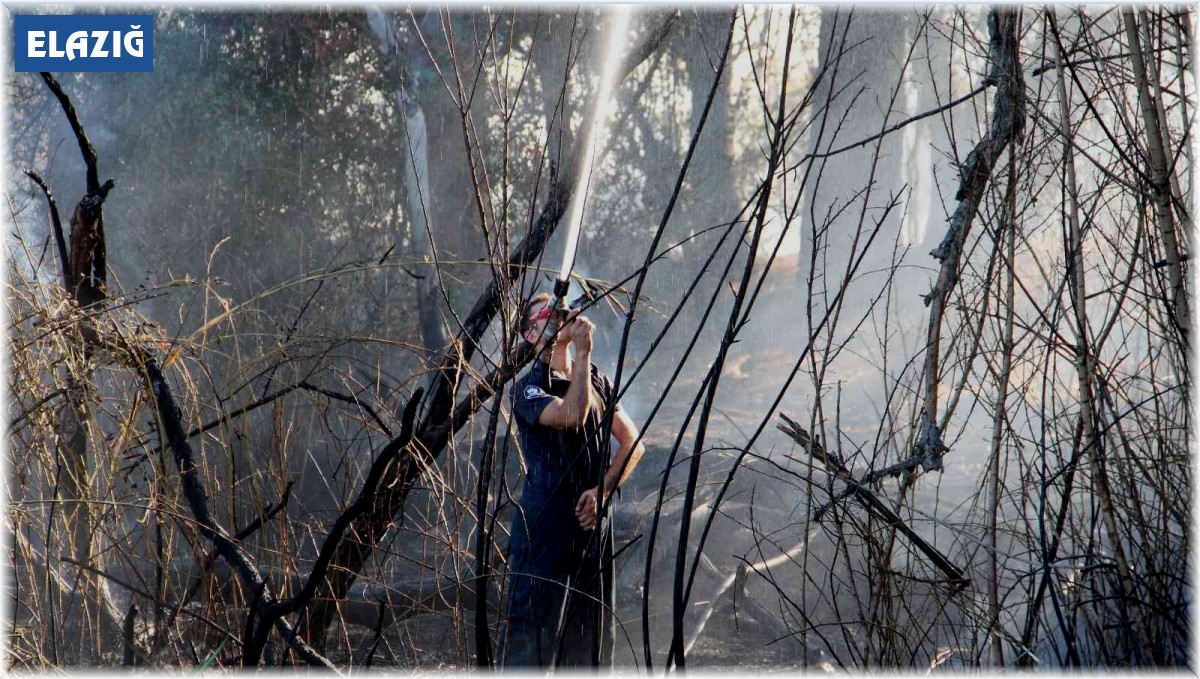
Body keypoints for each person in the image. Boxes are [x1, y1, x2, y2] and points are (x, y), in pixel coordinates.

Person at [501, 292, 646, 669]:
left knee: (590, 644)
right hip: (545, 529)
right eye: (546, 315)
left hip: (592, 526)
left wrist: (604, 490)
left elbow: (633, 443)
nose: (560, 316)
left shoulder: (595, 378)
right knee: (532, 641)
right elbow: (573, 415)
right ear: (531, 335)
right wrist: (581, 353)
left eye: (560, 309)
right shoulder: (528, 389)